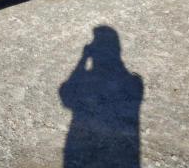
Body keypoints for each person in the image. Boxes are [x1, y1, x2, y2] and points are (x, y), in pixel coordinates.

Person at [60, 26, 144, 168]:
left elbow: (65, 94)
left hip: (80, 144)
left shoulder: (134, 81)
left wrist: (83, 58)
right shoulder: (135, 82)